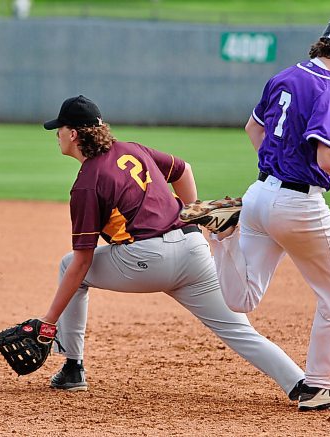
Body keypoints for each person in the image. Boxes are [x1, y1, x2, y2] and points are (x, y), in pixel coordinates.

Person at [180, 13, 330, 411]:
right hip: (299, 206)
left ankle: (223, 235)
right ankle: (323, 383)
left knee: (241, 300)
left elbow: (253, 130)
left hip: (256, 197)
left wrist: (278, 170)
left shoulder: (285, 75)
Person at [40, 95, 306, 402]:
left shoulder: (87, 182)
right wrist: (192, 213)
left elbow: (82, 263)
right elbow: (183, 170)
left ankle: (73, 368)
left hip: (146, 260)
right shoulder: (133, 149)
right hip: (193, 246)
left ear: (73, 134)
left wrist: (49, 322)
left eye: (59, 128)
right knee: (240, 331)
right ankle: (300, 383)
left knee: (67, 263)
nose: (56, 134)